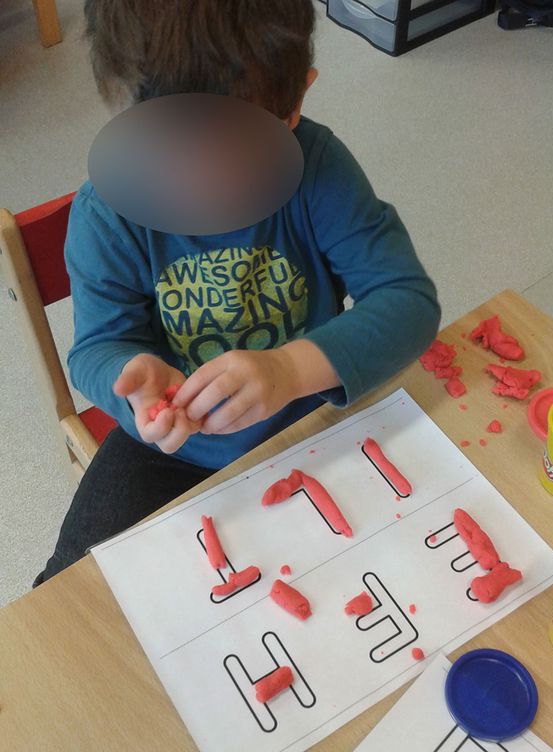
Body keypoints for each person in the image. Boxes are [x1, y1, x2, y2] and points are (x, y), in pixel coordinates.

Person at [33, 0, 440, 586]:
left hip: (312, 417)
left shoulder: (319, 170)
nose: (202, 190)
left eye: (233, 159)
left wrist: (290, 370)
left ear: (295, 102)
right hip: (168, 455)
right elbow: (96, 348)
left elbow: (406, 300)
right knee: (71, 595)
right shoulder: (108, 214)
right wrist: (133, 384)